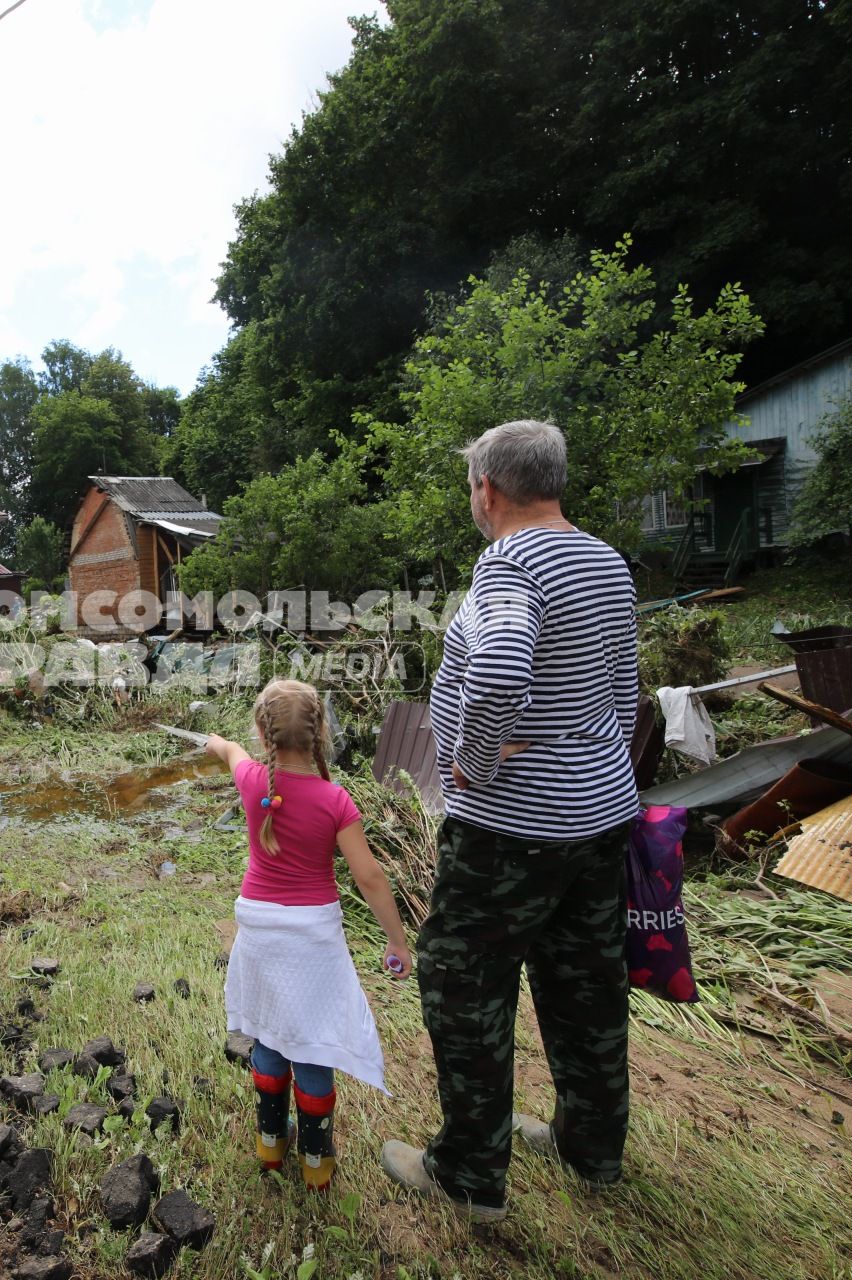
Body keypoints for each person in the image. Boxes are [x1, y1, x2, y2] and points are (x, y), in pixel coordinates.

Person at [380, 418, 640, 1222]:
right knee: (586, 981)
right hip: (599, 817)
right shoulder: (605, 561)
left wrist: (475, 763)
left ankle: (467, 1173)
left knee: (462, 981)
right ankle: (590, 1148)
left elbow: (495, 675)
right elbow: (625, 690)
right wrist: (599, 769)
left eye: (470, 487)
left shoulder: (510, 563)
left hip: (512, 828)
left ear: (487, 489)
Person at [206, 678, 412, 1192]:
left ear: (262, 731)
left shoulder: (254, 781)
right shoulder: (335, 799)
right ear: (320, 733)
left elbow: (230, 752)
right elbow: (369, 877)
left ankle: (270, 1145)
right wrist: (397, 940)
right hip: (313, 941)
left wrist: (216, 745)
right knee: (314, 1046)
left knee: (269, 1038)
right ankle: (317, 1162)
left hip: (259, 931)